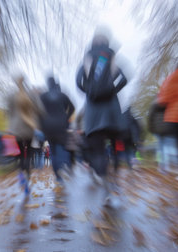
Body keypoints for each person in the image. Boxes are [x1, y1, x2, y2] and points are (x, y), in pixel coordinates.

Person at [76, 30, 128, 206]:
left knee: (98, 151)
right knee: (115, 148)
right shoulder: (110, 56)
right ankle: (115, 184)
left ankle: (106, 189)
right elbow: (125, 78)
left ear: (92, 43)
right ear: (106, 42)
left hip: (94, 112)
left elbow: (78, 83)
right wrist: (113, 90)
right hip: (112, 110)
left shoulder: (87, 59)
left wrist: (89, 92)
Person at [7, 74, 43, 194]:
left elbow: (9, 113)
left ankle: (20, 173)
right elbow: (41, 110)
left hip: (15, 129)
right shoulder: (32, 95)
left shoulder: (11, 96)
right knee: (28, 155)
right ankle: (27, 177)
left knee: (19, 155)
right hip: (29, 128)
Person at [39, 76, 75, 182]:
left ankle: (58, 177)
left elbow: (38, 111)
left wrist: (42, 122)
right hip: (61, 125)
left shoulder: (43, 96)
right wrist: (66, 117)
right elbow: (72, 108)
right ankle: (63, 166)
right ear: (55, 83)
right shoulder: (63, 95)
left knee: (53, 151)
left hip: (48, 126)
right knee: (62, 147)